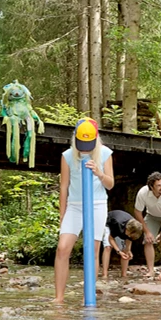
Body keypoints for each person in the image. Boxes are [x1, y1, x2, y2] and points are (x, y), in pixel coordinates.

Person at [53, 118, 114, 303]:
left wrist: (99, 173)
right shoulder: (67, 156)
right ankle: (59, 297)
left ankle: (89, 295)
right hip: (74, 205)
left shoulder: (105, 153)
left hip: (97, 204)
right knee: (62, 248)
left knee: (93, 249)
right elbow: (64, 186)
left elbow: (110, 184)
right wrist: (62, 214)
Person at [101, 209, 143, 280]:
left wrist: (128, 250)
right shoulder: (117, 223)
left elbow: (129, 239)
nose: (129, 236)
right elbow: (110, 238)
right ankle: (104, 274)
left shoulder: (134, 228)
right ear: (127, 229)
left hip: (121, 229)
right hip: (107, 224)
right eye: (129, 234)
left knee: (125, 252)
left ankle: (124, 275)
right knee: (108, 247)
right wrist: (118, 251)